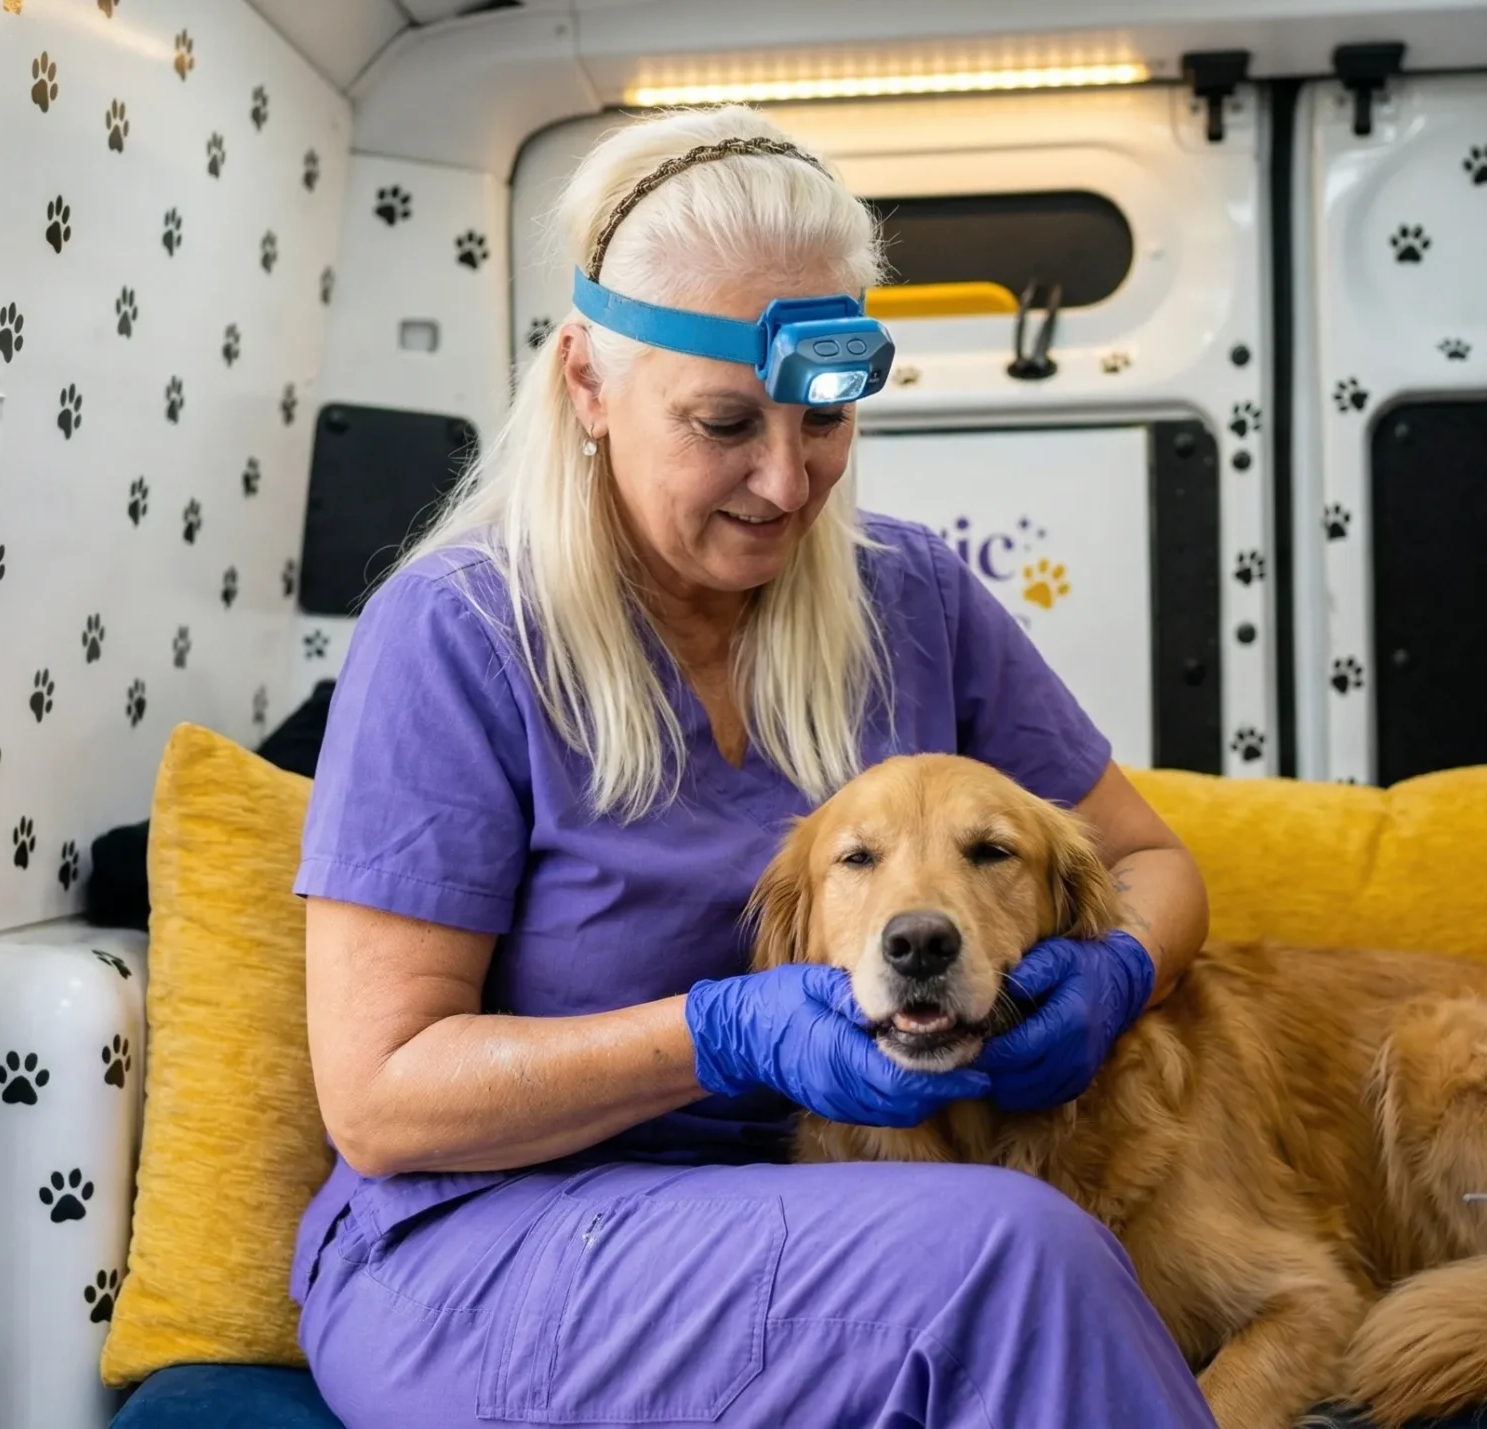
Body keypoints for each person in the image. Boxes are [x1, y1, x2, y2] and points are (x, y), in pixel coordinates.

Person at [291, 105, 1215, 1428]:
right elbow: (383, 1103)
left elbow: (1150, 862)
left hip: (830, 1202)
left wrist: (1118, 976)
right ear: (588, 385)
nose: (788, 483)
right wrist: (721, 1036)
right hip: (491, 1241)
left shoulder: (915, 597)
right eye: (725, 423)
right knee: (1014, 1256)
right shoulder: (457, 636)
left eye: (822, 421)